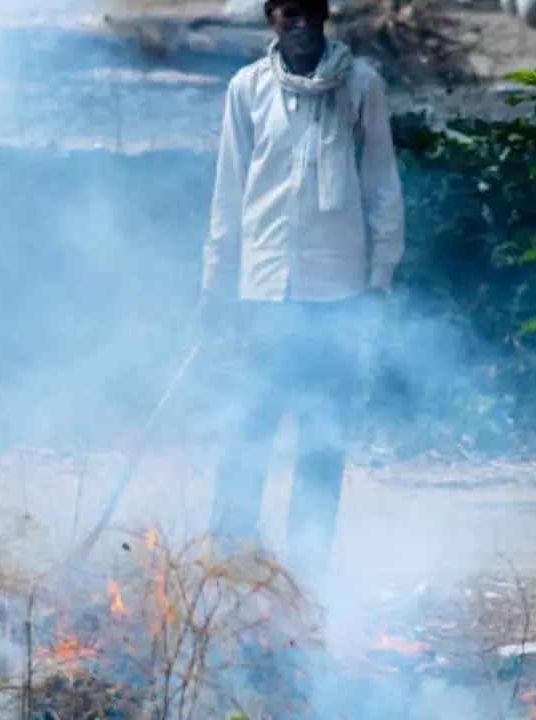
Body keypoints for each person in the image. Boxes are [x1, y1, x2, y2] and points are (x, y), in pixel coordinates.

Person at [196, 0, 405, 585]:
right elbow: (228, 197)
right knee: (249, 432)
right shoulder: (246, 89)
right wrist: (215, 289)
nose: (302, 23)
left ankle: (307, 580)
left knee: (321, 443)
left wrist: (378, 282)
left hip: (336, 295)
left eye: (312, 11)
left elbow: (382, 188)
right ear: (272, 19)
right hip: (263, 295)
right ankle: (229, 572)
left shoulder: (361, 86)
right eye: (290, 12)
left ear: (326, 17)